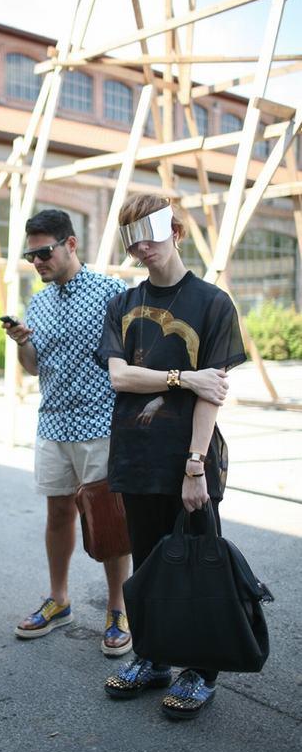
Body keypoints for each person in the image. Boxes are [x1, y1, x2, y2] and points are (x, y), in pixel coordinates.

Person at [96, 193, 246, 719]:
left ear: (176, 232)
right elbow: (120, 376)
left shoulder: (213, 303)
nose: (142, 247)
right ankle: (153, 657)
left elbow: (213, 393)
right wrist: (184, 377)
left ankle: (201, 672)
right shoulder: (123, 304)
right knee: (148, 566)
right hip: (135, 456)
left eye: (151, 234)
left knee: (198, 567)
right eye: (132, 239)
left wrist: (195, 465)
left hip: (189, 460)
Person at [2, 209, 132, 656]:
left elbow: (132, 354)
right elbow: (34, 368)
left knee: (108, 520)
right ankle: (59, 600)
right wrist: (23, 342)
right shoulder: (38, 303)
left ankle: (118, 608)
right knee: (58, 514)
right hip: (53, 423)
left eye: (44, 253)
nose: (37, 262)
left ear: (71, 244)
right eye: (30, 256)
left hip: (100, 423)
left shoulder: (111, 292)